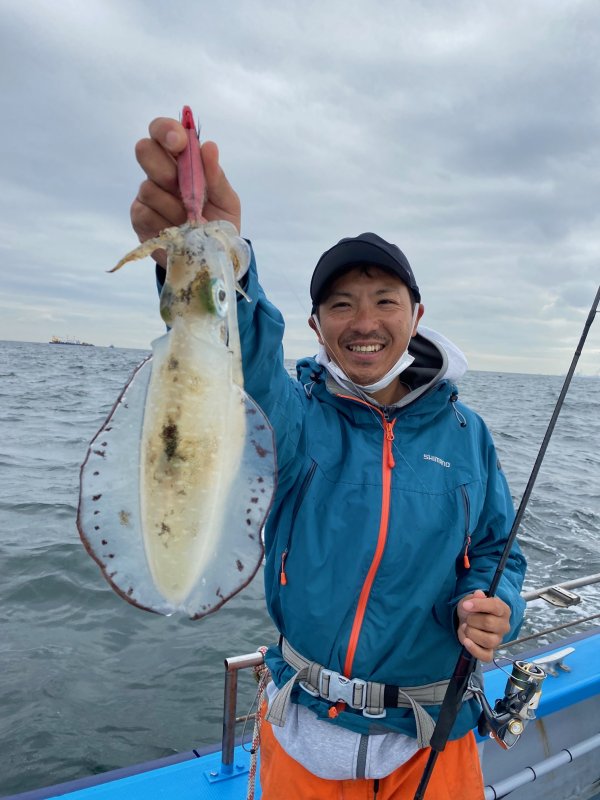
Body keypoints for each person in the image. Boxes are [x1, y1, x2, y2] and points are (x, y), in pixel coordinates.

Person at [131, 118, 527, 800]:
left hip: (432, 739)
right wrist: (220, 259)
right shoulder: (297, 418)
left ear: (417, 314)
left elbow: (498, 550)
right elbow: (247, 367)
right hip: (304, 735)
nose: (364, 322)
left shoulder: (469, 435)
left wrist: (497, 606)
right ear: (316, 326)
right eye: (341, 305)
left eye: (384, 301)